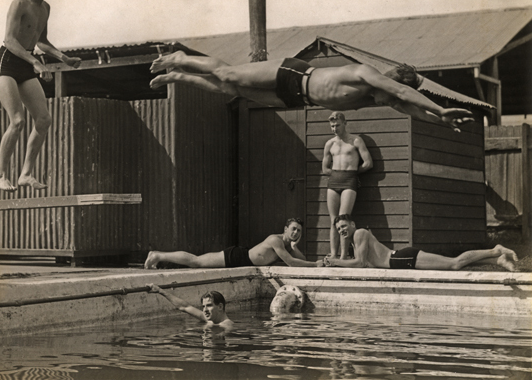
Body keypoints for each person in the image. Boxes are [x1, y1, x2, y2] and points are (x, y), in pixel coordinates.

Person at [150, 52, 474, 131]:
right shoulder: (368, 76)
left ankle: (177, 77)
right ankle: (181, 58)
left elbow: (411, 109)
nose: (394, 98)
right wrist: (441, 108)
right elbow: (406, 97)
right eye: (398, 90)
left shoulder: (383, 97)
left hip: (296, 98)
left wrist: (439, 121)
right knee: (229, 73)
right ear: (396, 81)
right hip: (294, 75)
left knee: (230, 89)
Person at [0, 0, 81, 192]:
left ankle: (25, 174)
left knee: (44, 119)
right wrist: (36, 63)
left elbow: (41, 41)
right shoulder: (19, 4)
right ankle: (0, 175)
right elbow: (10, 40)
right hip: (7, 63)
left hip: (25, 63)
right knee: (18, 121)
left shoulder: (45, 9)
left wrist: (63, 58)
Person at [324, 214, 518, 271]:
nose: (342, 230)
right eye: (339, 228)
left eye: (344, 226)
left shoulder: (359, 233)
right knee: (454, 263)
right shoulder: (355, 239)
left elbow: (360, 263)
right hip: (400, 259)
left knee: (454, 263)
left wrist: (333, 261)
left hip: (402, 258)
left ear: (352, 223)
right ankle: (497, 261)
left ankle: (495, 250)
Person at [144, 218, 325, 269]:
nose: (295, 233)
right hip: (237, 257)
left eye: (299, 231)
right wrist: (316, 265)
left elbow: (299, 260)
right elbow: (292, 263)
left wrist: (294, 246)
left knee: (196, 261)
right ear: (285, 229)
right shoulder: (275, 240)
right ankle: (158, 255)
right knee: (196, 262)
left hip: (244, 260)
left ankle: (159, 256)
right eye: (293, 229)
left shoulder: (287, 246)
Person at [322, 111, 372, 260]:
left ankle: (343, 257)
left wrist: (354, 173)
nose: (334, 129)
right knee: (333, 220)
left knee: (343, 220)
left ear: (345, 123)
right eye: (332, 126)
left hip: (350, 180)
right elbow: (325, 169)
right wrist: (337, 174)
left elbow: (368, 163)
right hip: (334, 180)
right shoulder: (330, 143)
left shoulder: (355, 141)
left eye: (337, 125)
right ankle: (333, 254)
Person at [146, 284, 234, 329]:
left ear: (220, 307)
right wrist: (160, 291)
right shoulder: (210, 318)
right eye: (203, 306)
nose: (205, 310)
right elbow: (184, 306)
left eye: (209, 305)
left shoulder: (226, 326)